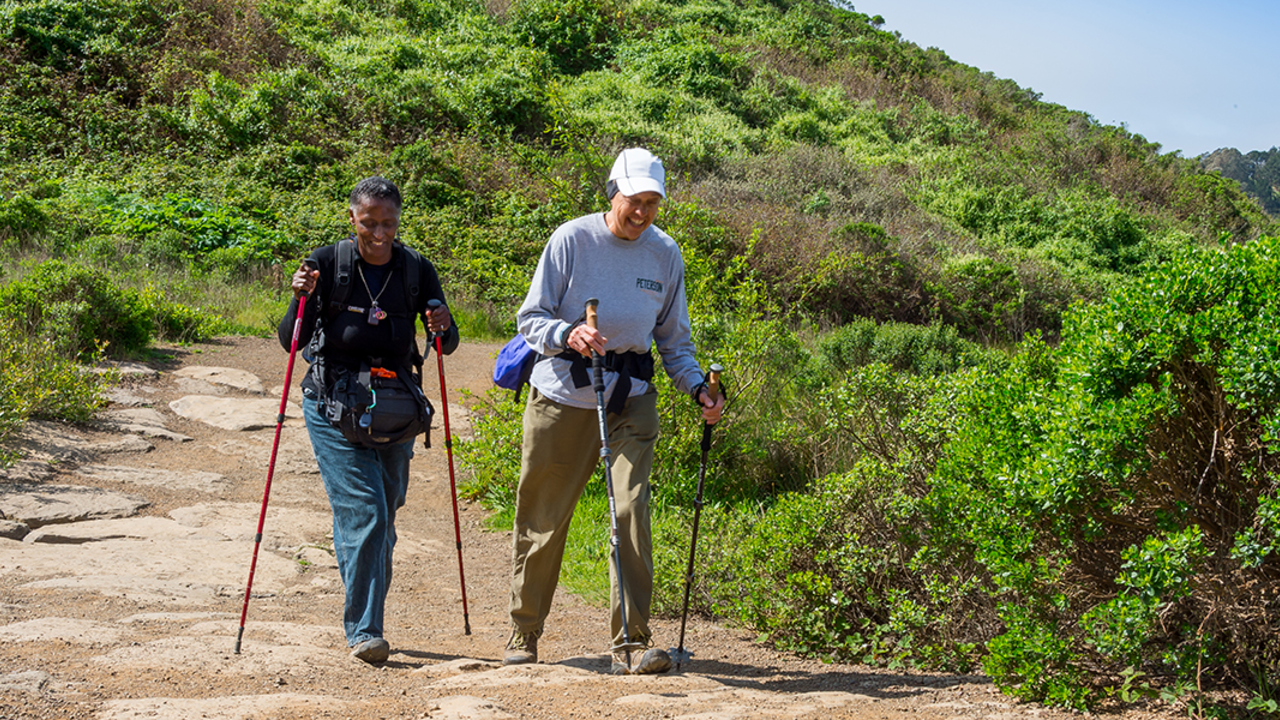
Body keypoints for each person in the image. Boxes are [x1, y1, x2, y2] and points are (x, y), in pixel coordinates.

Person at [504, 148, 724, 675]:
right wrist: (567, 332)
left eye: (653, 203)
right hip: (563, 397)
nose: (643, 213)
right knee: (545, 519)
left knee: (629, 511)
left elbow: (674, 342)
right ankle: (524, 630)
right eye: (635, 201)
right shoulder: (571, 239)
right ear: (612, 193)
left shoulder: (664, 253)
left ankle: (630, 641)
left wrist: (697, 389)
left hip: (631, 399)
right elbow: (530, 318)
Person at [279, 176, 458, 663]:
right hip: (332, 405)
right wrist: (299, 299)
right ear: (352, 217)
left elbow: (446, 343)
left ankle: (362, 587)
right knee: (369, 513)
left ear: (398, 221)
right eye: (369, 221)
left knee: (384, 513)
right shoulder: (326, 264)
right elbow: (290, 341)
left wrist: (442, 325)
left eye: (388, 222)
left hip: (395, 409)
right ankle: (365, 630)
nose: (379, 231)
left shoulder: (416, 269)